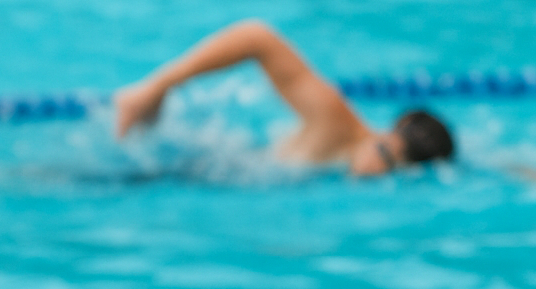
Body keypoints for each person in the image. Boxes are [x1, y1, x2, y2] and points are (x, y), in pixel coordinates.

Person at [114, 19, 453, 174]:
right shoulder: (336, 122)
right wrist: (156, 88)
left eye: (390, 168)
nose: (373, 169)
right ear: (386, 130)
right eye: (382, 152)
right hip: (187, 168)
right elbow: (256, 37)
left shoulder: (346, 166)